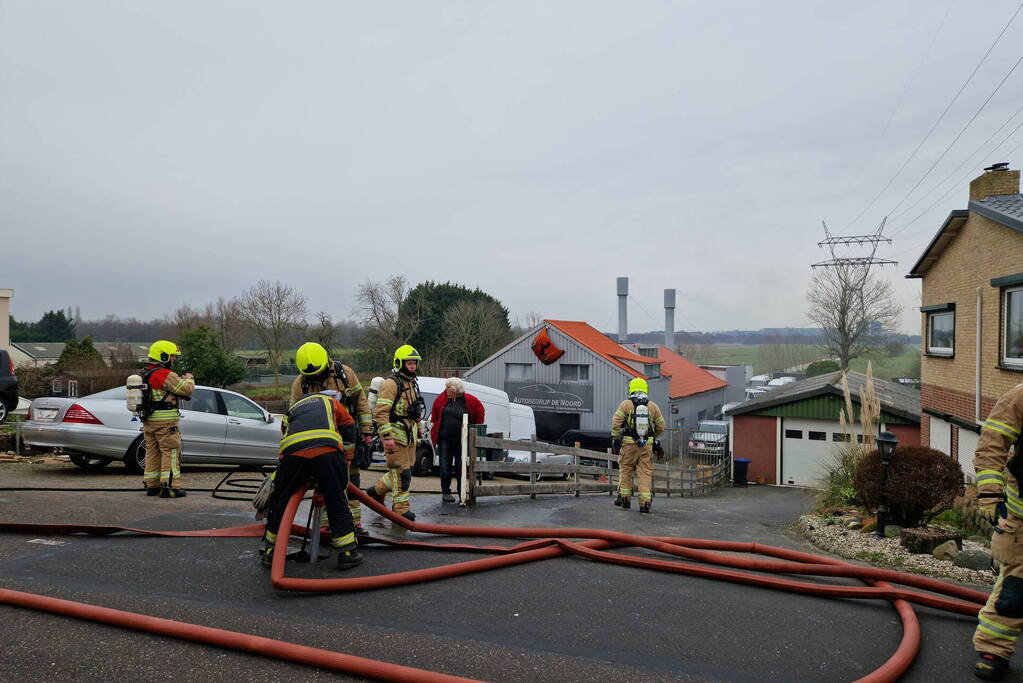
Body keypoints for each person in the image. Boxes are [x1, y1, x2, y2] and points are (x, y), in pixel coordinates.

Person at [259, 389, 363, 571]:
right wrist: (346, 456)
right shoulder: (330, 402)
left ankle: (269, 551)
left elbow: (286, 433)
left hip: (294, 455)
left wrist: (286, 474)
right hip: (327, 453)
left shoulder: (293, 408)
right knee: (336, 499)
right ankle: (347, 553)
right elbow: (348, 424)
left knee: (281, 500)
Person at [290, 342, 373, 532]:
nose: (315, 378)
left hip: (348, 436)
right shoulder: (300, 384)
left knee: (352, 481)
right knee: (327, 482)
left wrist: (366, 430)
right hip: (322, 443)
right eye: (311, 376)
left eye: (318, 374)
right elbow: (293, 413)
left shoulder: (345, 375)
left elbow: (361, 401)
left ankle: (355, 523)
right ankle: (328, 526)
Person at [972, 383, 1023, 681]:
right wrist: (990, 492)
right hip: (1021, 517)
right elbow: (992, 441)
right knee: (1016, 589)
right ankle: (994, 650)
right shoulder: (1020, 396)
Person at [367, 345, 424, 521]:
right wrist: (387, 438)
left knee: (406, 469)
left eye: (414, 363)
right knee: (401, 472)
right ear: (400, 363)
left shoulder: (412, 383)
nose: (413, 366)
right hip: (395, 435)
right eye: (409, 363)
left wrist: (419, 426)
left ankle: (375, 491)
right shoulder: (391, 384)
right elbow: (380, 412)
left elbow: (413, 409)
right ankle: (400, 509)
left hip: (409, 435)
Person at [140, 340, 195, 498]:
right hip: (166, 423)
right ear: (163, 356)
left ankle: (152, 485)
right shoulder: (164, 374)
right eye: (172, 356)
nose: (174, 360)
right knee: (170, 453)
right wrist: (189, 379)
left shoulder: (145, 374)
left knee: (152, 452)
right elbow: (186, 389)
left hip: (148, 421)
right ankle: (170, 488)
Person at [609, 378, 665, 513]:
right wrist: (653, 437)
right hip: (646, 446)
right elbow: (661, 426)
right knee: (645, 473)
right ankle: (644, 503)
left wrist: (616, 438)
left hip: (628, 445)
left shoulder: (625, 405)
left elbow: (615, 423)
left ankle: (625, 500)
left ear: (631, 389)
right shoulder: (652, 406)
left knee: (626, 470)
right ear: (645, 389)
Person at [429, 377, 485, 502]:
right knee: (444, 467)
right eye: (446, 387)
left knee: (461, 468)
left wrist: (476, 428)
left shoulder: (470, 400)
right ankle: (446, 492)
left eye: (449, 388)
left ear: (456, 390)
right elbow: (434, 416)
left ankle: (462, 493)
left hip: (462, 442)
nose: (446, 390)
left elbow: (480, 412)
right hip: (444, 440)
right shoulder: (441, 399)